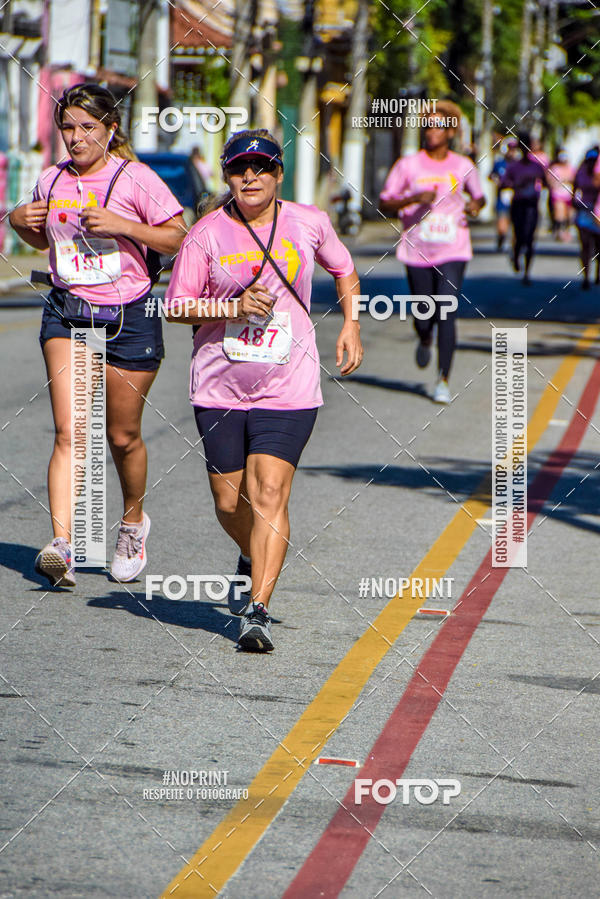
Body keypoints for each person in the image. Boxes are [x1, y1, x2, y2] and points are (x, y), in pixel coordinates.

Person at [164, 129, 363, 652]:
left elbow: (344, 269)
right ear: (227, 175)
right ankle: (251, 553)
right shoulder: (206, 233)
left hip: (289, 386)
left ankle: (258, 609)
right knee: (230, 502)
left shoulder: (308, 223)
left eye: (260, 167)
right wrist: (231, 308)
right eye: (238, 168)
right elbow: (177, 304)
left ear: (278, 174)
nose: (249, 176)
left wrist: (350, 323)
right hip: (219, 385)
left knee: (269, 492)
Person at [8, 82, 186, 587]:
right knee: (70, 432)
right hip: (67, 311)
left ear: (111, 129)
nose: (76, 137)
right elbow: (42, 237)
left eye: (88, 127)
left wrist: (123, 225)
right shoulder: (51, 179)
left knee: (122, 435)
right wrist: (19, 221)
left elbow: (178, 236)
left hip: (129, 317)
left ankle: (132, 522)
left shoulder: (137, 178)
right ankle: (63, 544)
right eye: (68, 127)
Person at [379, 100, 485, 404]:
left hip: (454, 249)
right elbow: (385, 202)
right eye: (428, 125)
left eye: (438, 126)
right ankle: (424, 336)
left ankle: (443, 379)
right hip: (417, 251)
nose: (431, 131)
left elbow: (479, 198)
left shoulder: (462, 165)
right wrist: (413, 198)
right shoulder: (408, 165)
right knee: (424, 314)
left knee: (447, 311)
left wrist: (475, 207)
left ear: (450, 132)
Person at [501, 133, 547, 285]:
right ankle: (515, 254)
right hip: (519, 203)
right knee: (519, 235)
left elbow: (546, 182)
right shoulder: (514, 167)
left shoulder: (536, 166)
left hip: (532, 204)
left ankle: (527, 272)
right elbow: (504, 183)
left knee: (530, 237)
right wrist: (517, 184)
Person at [573, 147, 600, 290]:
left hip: (598, 212)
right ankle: (586, 277)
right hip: (584, 211)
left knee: (598, 245)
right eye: (589, 161)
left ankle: (598, 274)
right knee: (585, 245)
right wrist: (575, 202)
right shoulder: (581, 172)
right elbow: (575, 188)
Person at [489, 138, 518, 251]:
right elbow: (491, 175)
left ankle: (515, 246)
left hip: (516, 196)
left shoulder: (518, 164)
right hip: (502, 196)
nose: (511, 152)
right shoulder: (499, 163)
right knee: (502, 223)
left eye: (513, 149)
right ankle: (501, 238)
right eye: (510, 149)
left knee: (516, 222)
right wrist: (496, 180)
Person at [547, 149, 574, 241]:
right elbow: (550, 180)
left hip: (569, 194)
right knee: (559, 214)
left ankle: (565, 231)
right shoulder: (555, 168)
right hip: (558, 194)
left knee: (568, 215)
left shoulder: (570, 168)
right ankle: (558, 231)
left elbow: (574, 179)